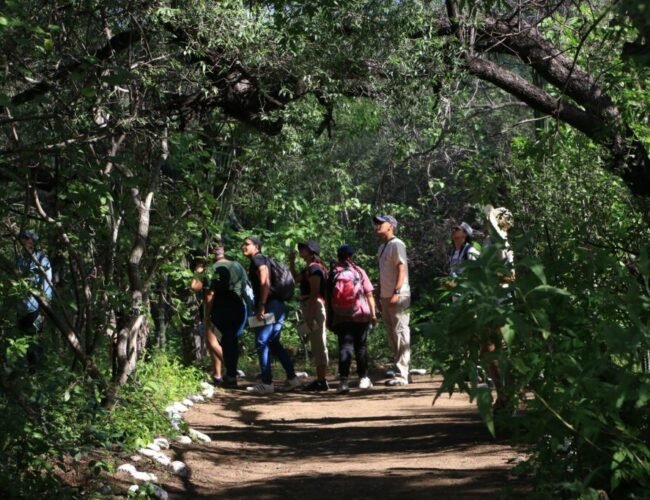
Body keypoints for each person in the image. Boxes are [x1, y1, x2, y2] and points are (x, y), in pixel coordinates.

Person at [242, 236, 301, 394]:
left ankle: (267, 383)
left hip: (270, 305)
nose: (244, 247)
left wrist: (261, 305)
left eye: (247, 244)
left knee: (262, 341)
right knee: (274, 343)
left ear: (257, 247)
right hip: (278, 305)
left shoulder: (258, 260)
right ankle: (292, 378)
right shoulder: (263, 259)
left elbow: (265, 281)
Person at [328, 244, 377, 394]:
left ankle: (343, 382)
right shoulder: (359, 271)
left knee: (345, 346)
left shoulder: (333, 272)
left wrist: (331, 318)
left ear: (338, 256)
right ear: (351, 256)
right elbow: (369, 294)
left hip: (342, 316)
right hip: (360, 314)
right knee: (360, 346)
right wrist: (373, 315)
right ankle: (363, 378)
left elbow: (328, 296)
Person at [481, 205, 515, 410]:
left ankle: (507, 396)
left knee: (498, 350)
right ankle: (502, 394)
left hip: (501, 302)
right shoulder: (488, 242)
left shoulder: (502, 243)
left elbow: (510, 276)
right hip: (488, 301)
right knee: (486, 351)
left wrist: (489, 279)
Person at [204, 244, 250, 388]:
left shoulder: (212, 269)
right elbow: (245, 286)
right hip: (239, 306)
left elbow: (210, 293)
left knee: (224, 342)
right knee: (232, 341)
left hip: (222, 307)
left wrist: (207, 314)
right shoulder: (237, 265)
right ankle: (229, 375)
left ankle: (231, 375)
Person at [374, 214, 411, 386]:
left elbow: (401, 268)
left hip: (399, 295)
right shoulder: (382, 247)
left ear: (391, 226)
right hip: (386, 296)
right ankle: (401, 369)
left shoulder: (397, 244)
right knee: (392, 335)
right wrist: (380, 295)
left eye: (381, 223)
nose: (378, 225)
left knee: (401, 332)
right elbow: (383, 273)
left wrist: (396, 292)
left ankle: (403, 374)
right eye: (377, 223)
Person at [289, 240, 330, 391]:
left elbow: (314, 294)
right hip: (311, 306)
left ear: (311, 251)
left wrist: (310, 315)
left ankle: (321, 380)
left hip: (314, 307)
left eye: (303, 248)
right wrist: (291, 262)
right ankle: (321, 379)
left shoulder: (314, 269)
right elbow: (294, 280)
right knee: (316, 342)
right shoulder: (309, 269)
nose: (300, 250)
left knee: (319, 343)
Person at [16, 230, 53, 366]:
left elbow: (47, 284)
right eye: (22, 239)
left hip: (35, 307)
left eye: (26, 238)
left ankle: (36, 372)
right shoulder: (20, 259)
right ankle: (25, 372)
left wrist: (45, 308)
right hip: (21, 307)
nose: (23, 241)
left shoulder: (42, 259)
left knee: (33, 341)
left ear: (32, 241)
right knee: (22, 341)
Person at [190, 248, 225, 385]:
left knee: (212, 342)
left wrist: (199, 268)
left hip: (213, 310)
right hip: (228, 309)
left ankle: (232, 368)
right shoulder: (228, 266)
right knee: (213, 343)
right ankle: (217, 375)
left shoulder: (211, 270)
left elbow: (194, 286)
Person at [446, 222, 481, 295]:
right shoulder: (452, 252)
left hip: (468, 293)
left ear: (465, 234)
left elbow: (479, 270)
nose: (453, 230)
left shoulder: (470, 250)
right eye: (453, 229)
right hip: (456, 292)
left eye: (457, 229)